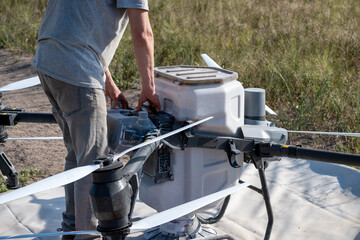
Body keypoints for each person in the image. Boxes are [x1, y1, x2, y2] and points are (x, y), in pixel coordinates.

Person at [32, 1, 161, 240]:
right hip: (76, 68)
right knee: (95, 162)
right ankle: (87, 235)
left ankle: (72, 228)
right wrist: (149, 88)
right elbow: (143, 34)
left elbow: (80, 24)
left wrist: (109, 86)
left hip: (48, 61)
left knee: (77, 153)